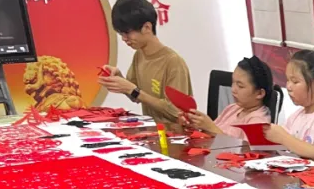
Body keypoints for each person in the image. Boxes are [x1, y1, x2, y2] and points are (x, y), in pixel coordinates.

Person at [98, 0, 192, 130]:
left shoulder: (173, 62)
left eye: (127, 32)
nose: (124, 38)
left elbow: (175, 112)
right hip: (152, 132)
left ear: (147, 27)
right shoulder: (139, 55)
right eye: (121, 34)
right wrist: (119, 79)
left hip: (175, 135)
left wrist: (133, 90)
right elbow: (135, 96)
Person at [184, 56, 274, 141]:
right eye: (233, 82)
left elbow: (244, 149)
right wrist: (194, 125)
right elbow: (209, 135)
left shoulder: (259, 122)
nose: (233, 89)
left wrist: (210, 127)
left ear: (259, 93)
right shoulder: (232, 108)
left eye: (240, 86)